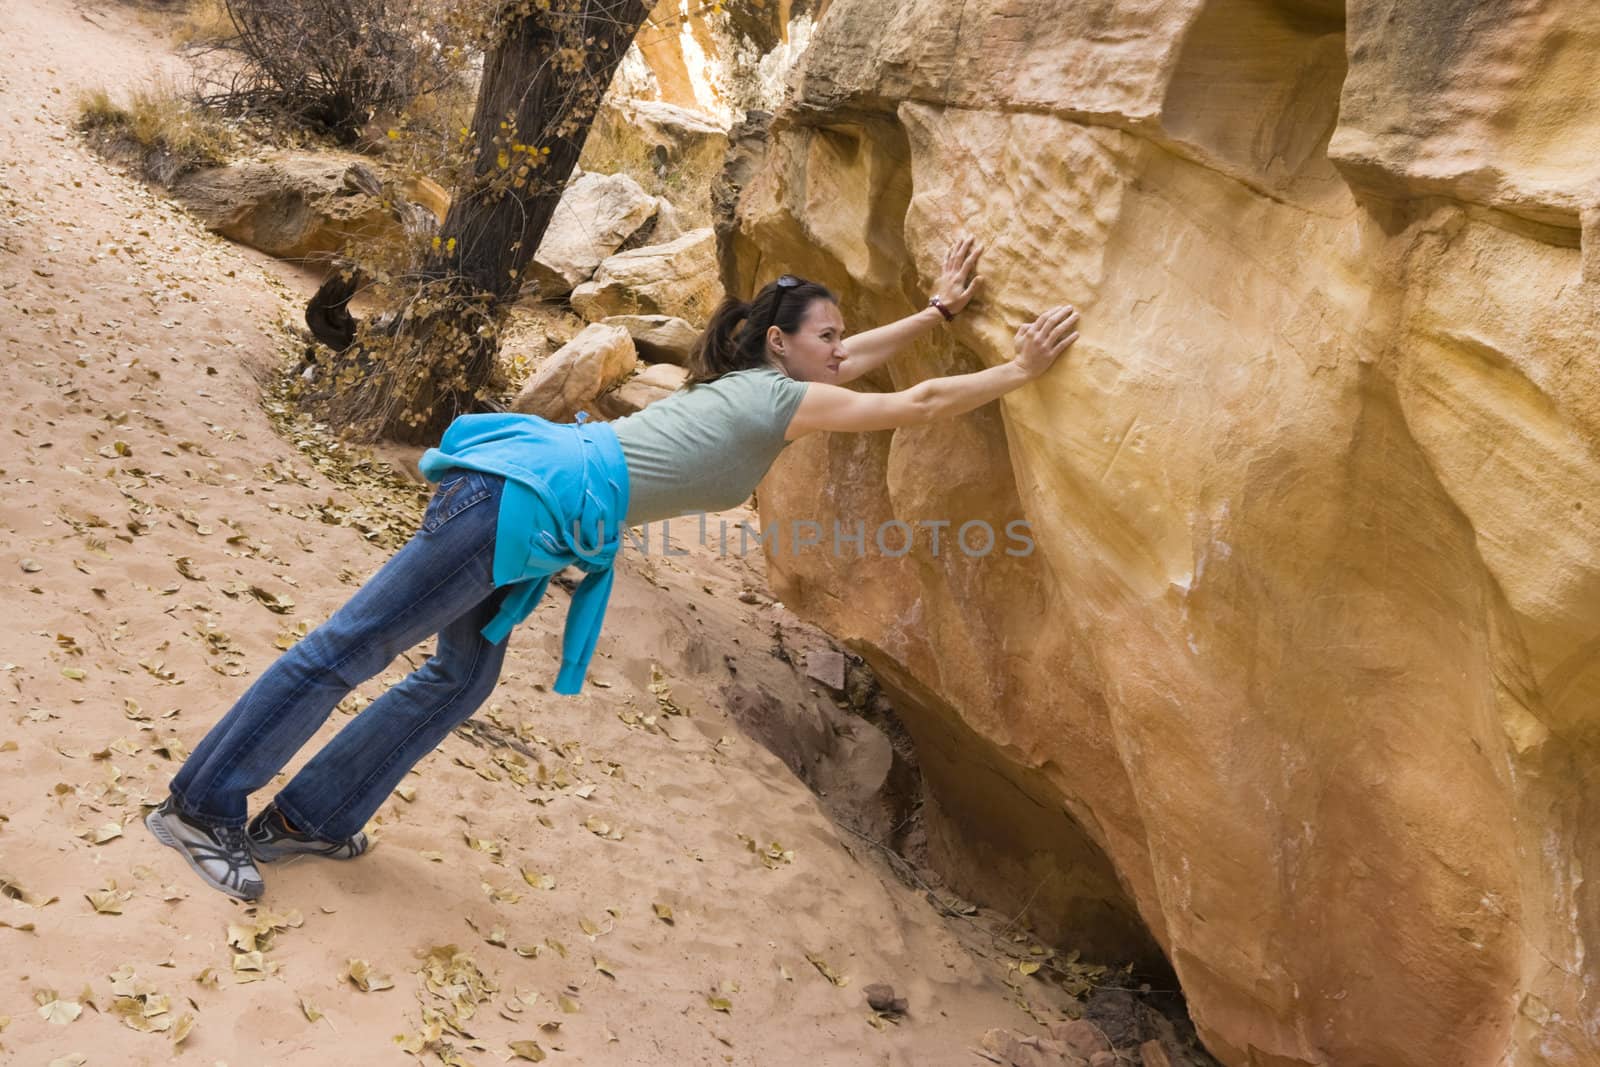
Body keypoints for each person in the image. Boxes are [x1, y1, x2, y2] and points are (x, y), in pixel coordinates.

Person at [144, 236, 1081, 900]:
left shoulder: (772, 383)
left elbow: (867, 359)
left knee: (457, 678)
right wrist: (1019, 370)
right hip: (521, 501)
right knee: (349, 648)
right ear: (780, 345)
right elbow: (914, 401)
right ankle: (200, 806)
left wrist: (942, 310)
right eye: (826, 335)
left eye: (840, 335)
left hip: (541, 515)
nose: (841, 347)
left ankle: (311, 816)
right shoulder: (776, 400)